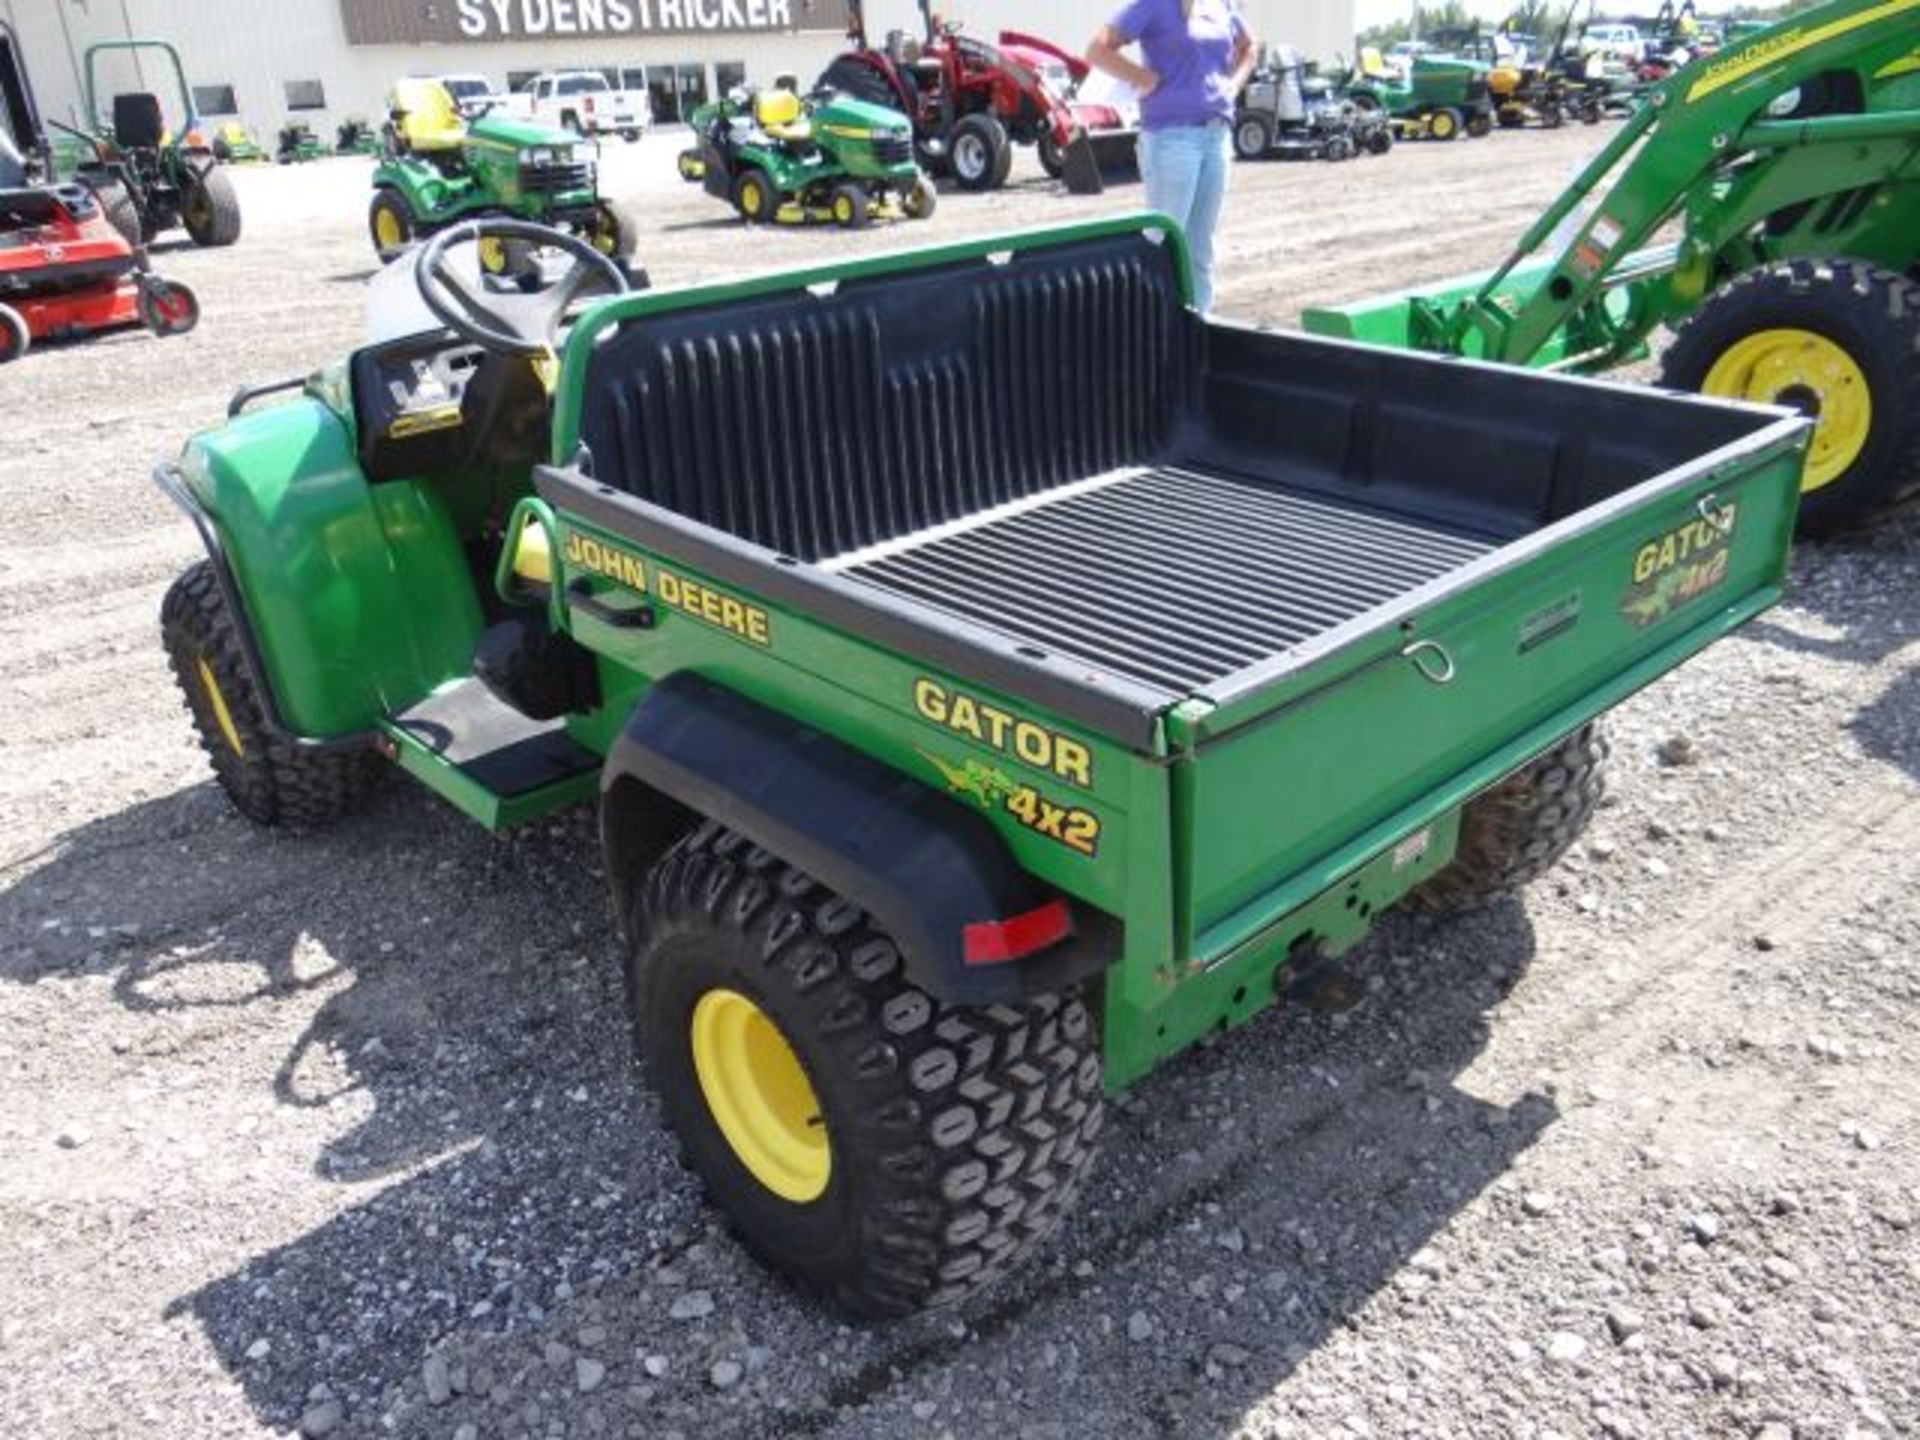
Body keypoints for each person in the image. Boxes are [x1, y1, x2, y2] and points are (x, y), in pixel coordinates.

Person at [1088, 0, 1256, 315]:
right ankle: (1152, 329)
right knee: (1163, 242)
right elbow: (1098, 49)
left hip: (1216, 136)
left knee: (1200, 247)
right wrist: (1142, 77)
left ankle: (1198, 329)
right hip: (1172, 138)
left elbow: (1249, 47)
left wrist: (1231, 86)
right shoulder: (1154, 4)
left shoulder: (1222, 5)